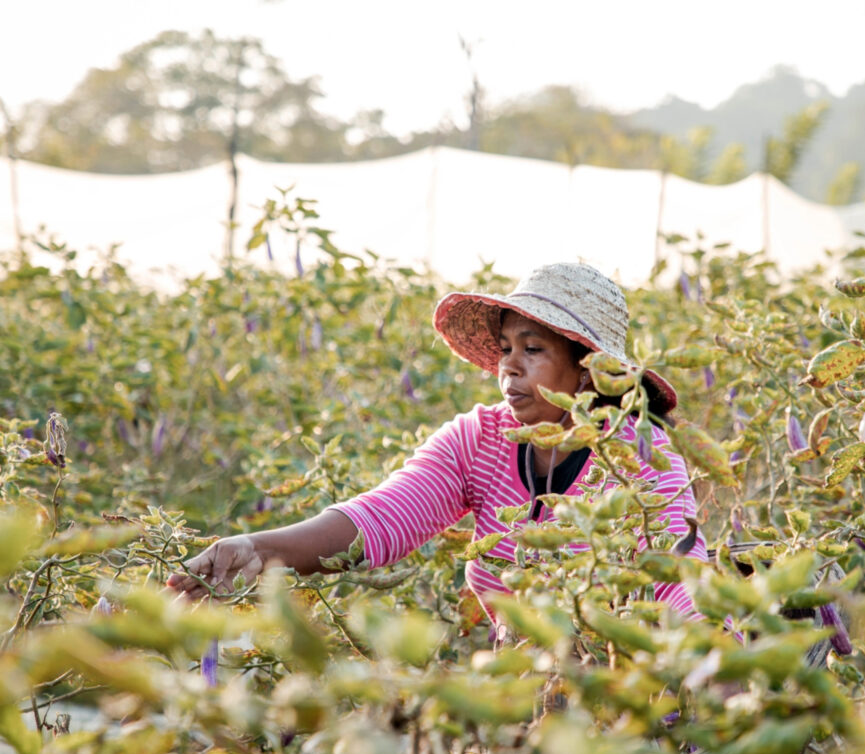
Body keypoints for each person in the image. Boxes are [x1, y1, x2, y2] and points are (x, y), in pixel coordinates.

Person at [167, 263, 708, 627]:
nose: (509, 366)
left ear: (590, 373)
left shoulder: (642, 457)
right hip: (515, 704)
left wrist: (717, 678)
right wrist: (258, 549)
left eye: (533, 348)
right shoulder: (480, 439)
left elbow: (681, 585)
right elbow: (380, 518)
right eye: (504, 348)